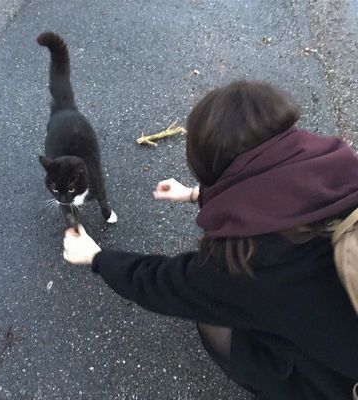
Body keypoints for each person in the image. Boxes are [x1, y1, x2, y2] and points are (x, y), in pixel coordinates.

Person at [63, 80, 358, 400]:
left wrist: (96, 257)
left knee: (213, 321)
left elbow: (159, 282)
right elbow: (280, 188)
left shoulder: (250, 264)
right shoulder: (340, 170)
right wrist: (196, 195)